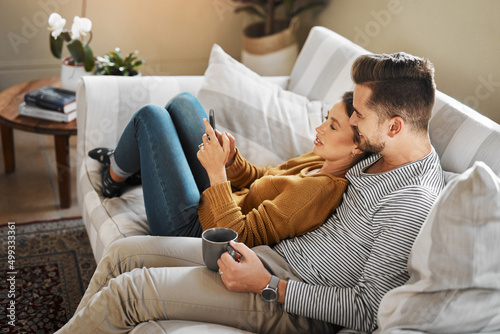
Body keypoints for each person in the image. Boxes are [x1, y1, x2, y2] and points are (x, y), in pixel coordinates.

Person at [56, 52, 445, 334]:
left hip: (292, 303)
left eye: (359, 114)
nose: (353, 123)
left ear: (394, 127)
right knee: (123, 254)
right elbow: (291, 182)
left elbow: (367, 310)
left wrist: (267, 284)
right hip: (263, 256)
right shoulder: (376, 152)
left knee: (132, 291)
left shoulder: (411, 200)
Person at [88, 91, 366, 247]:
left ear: (358, 147)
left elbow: (239, 237)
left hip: (198, 232)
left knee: (151, 116)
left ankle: (115, 174)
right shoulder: (321, 160)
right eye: (325, 118)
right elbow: (263, 177)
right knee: (182, 104)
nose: (319, 128)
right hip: (217, 201)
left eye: (332, 125)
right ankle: (135, 163)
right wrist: (232, 161)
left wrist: (217, 172)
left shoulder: (317, 194)